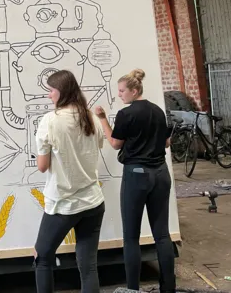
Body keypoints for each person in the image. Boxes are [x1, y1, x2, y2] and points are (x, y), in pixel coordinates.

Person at [95, 69, 175, 293]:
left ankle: (133, 289)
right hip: (161, 173)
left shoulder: (126, 114)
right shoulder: (158, 111)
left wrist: (102, 118)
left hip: (137, 175)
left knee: (131, 237)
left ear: (134, 90)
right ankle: (168, 288)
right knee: (162, 235)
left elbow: (115, 144)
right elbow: (166, 143)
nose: (119, 95)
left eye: (122, 91)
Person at [35, 70, 105, 293]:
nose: (49, 95)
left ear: (62, 92)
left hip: (63, 204)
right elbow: (96, 148)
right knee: (88, 266)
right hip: (93, 202)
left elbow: (42, 166)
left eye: (51, 90)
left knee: (42, 257)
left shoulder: (50, 121)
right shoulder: (91, 117)